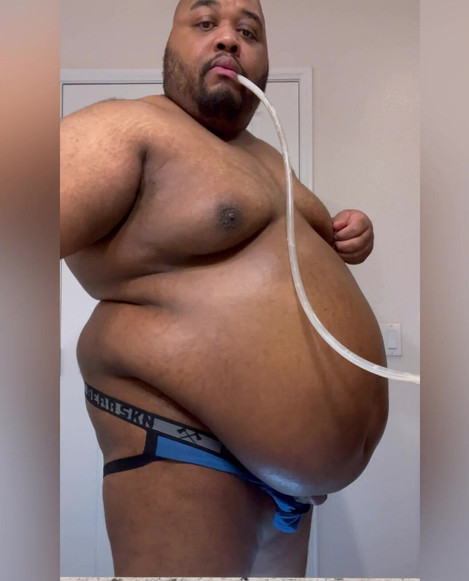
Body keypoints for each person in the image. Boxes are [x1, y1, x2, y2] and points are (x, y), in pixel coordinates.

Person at [60, 0, 388, 576]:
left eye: (249, 31)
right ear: (171, 44)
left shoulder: (268, 159)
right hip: (182, 449)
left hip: (291, 491)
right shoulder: (124, 127)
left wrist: (347, 236)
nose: (230, 39)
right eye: (206, 23)